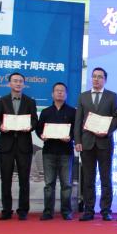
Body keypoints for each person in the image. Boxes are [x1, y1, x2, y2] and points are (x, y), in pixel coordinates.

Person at [74, 67, 117, 222]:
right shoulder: (83, 96)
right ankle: (89, 210)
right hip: (87, 143)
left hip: (104, 142)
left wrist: (106, 131)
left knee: (106, 178)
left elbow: (116, 118)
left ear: (105, 79)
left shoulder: (112, 96)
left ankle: (106, 210)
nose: (96, 79)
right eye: (94, 76)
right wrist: (77, 141)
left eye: (100, 77)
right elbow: (78, 120)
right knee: (88, 178)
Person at [0, 72, 38, 220]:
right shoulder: (1, 101)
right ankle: (6, 210)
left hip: (24, 145)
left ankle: (23, 210)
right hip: (6, 145)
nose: (18, 83)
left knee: (24, 180)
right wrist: (1, 127)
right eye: (15, 81)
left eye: (20, 81)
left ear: (24, 84)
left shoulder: (30, 102)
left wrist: (30, 127)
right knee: (6, 180)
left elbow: (35, 121)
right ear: (9, 84)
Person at [36, 82, 76, 221]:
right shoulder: (46, 112)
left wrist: (71, 137)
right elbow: (39, 129)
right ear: (52, 94)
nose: (60, 93)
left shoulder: (72, 112)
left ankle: (66, 211)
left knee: (67, 184)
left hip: (66, 152)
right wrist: (42, 135)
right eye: (57, 90)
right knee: (49, 184)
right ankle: (48, 211)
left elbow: (76, 130)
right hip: (49, 152)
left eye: (62, 91)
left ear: (66, 94)